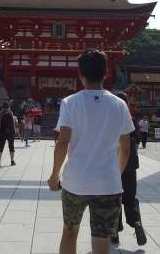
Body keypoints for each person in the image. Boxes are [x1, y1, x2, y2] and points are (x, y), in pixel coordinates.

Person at [47, 49, 133, 254]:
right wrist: (115, 174)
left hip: (75, 181)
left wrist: (54, 174)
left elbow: (63, 142)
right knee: (102, 240)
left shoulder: (70, 102)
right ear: (106, 73)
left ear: (80, 74)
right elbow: (126, 148)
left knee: (69, 231)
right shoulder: (120, 104)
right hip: (108, 183)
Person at [111, 93, 147, 246]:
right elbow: (138, 140)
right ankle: (136, 221)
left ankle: (115, 232)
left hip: (113, 165)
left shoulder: (110, 121)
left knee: (114, 198)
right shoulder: (131, 120)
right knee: (130, 198)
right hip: (130, 165)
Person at [0, 101, 16, 167]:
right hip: (11, 132)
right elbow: (13, 123)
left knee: (1, 147)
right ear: (8, 107)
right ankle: (12, 161)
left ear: (2, 107)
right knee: (11, 146)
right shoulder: (11, 113)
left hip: (2, 132)